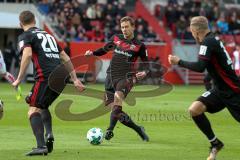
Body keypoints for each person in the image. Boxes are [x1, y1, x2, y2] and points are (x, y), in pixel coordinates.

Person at [12, 10, 84, 156]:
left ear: (20, 24)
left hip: (46, 77)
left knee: (33, 110)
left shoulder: (25, 35)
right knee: (41, 105)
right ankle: (49, 134)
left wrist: (19, 79)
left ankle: (41, 146)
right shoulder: (48, 35)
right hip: (62, 77)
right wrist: (75, 79)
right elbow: (65, 56)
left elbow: (27, 55)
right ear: (35, 21)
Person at [169, 16, 240, 160]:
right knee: (195, 110)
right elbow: (212, 67)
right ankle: (215, 143)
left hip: (233, 91)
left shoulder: (207, 42)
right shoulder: (212, 40)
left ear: (195, 31)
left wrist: (179, 61)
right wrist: (209, 81)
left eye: (192, 32)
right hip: (219, 89)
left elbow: (200, 67)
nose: (192, 35)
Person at [85, 16, 149, 141]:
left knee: (117, 100)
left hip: (126, 77)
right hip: (111, 76)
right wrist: (92, 53)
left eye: (127, 27)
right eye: (122, 27)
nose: (124, 30)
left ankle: (110, 129)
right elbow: (104, 50)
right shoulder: (116, 38)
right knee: (116, 111)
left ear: (133, 27)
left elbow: (147, 64)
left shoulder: (140, 46)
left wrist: (145, 72)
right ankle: (138, 129)